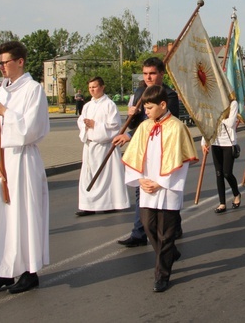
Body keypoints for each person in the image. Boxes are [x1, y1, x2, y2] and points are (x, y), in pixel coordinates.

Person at [0, 41, 50, 295]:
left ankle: (29, 271)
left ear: (20, 62)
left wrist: (6, 112)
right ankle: (2, 269)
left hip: (23, 159)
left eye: (5, 62)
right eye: (0, 63)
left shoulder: (33, 89)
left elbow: (31, 129)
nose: (1, 67)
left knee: (23, 215)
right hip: (2, 163)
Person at [122, 85, 197, 293]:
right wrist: (140, 179)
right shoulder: (145, 127)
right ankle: (169, 252)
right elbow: (133, 155)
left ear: (163, 105)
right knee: (148, 225)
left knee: (166, 233)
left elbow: (182, 162)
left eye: (149, 107)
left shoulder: (177, 127)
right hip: (147, 186)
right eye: (145, 108)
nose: (146, 112)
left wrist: (162, 182)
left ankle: (162, 275)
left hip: (167, 189)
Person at [113, 56, 181, 248]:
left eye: (152, 73)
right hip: (144, 149)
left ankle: (174, 225)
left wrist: (130, 135)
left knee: (167, 191)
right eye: (145, 73)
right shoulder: (140, 91)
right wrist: (131, 116)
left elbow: (166, 123)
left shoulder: (169, 95)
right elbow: (136, 121)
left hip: (163, 150)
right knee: (141, 190)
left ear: (161, 74)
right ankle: (139, 233)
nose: (148, 77)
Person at [75, 76, 130, 216]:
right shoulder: (87, 105)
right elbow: (80, 121)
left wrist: (96, 125)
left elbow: (115, 126)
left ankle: (109, 203)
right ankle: (88, 205)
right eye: (90, 88)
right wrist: (85, 125)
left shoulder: (109, 104)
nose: (92, 90)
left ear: (102, 87)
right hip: (90, 145)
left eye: (95, 87)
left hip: (103, 146)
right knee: (88, 175)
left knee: (104, 176)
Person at [201, 99, 241, 213]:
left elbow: (231, 122)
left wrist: (219, 116)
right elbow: (208, 123)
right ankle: (222, 203)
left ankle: (236, 194)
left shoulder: (233, 103)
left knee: (227, 172)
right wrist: (204, 141)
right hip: (216, 142)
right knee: (219, 173)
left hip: (228, 143)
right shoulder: (212, 101)